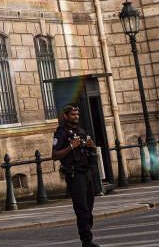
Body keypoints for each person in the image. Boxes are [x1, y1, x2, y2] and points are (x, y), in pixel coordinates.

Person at [51, 105, 100, 247]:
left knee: (89, 208)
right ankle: (87, 240)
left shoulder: (81, 131)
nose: (76, 116)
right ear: (66, 116)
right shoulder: (61, 133)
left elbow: (91, 149)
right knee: (82, 209)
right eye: (73, 114)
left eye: (77, 114)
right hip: (75, 175)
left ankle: (87, 233)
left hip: (87, 173)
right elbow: (54, 155)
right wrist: (71, 146)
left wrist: (91, 146)